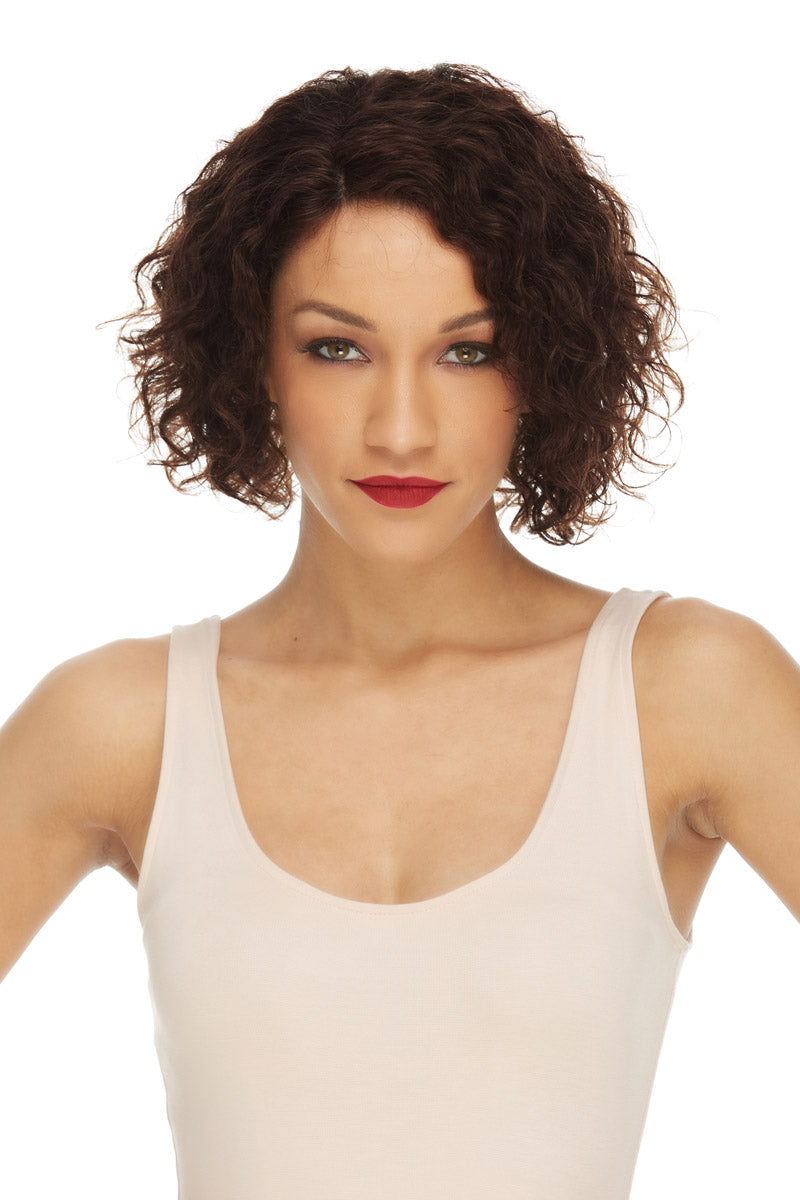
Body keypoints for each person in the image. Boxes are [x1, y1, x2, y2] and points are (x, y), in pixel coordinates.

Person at [1, 62, 798, 1199]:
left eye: (467, 350)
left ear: (544, 363)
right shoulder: (121, 722)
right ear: (251, 357)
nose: (402, 428)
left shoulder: (684, 689)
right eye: (338, 347)